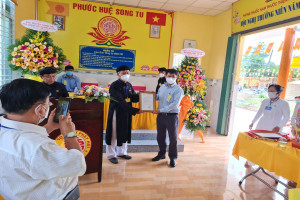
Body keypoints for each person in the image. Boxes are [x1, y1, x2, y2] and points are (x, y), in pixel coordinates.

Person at [0, 79, 86, 200]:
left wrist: (49, 127)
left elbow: (23, 136)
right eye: (48, 105)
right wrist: (69, 134)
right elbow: (78, 164)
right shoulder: (38, 148)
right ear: (40, 109)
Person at [105, 65, 141, 164]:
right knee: (113, 133)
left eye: (127, 73)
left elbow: (133, 97)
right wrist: (135, 110)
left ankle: (122, 152)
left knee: (124, 131)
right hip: (117, 112)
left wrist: (142, 96)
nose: (126, 75)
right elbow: (120, 101)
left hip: (126, 112)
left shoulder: (129, 85)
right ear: (118, 74)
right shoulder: (114, 85)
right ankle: (111, 155)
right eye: (123, 73)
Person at [153, 69, 184, 168]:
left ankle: (173, 158)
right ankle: (162, 153)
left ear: (176, 77)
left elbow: (175, 104)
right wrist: (148, 97)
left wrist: (161, 110)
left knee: (173, 138)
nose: (171, 78)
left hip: (172, 117)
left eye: (173, 77)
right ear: (165, 76)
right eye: (169, 76)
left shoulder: (178, 89)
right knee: (160, 137)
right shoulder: (162, 87)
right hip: (161, 116)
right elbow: (157, 97)